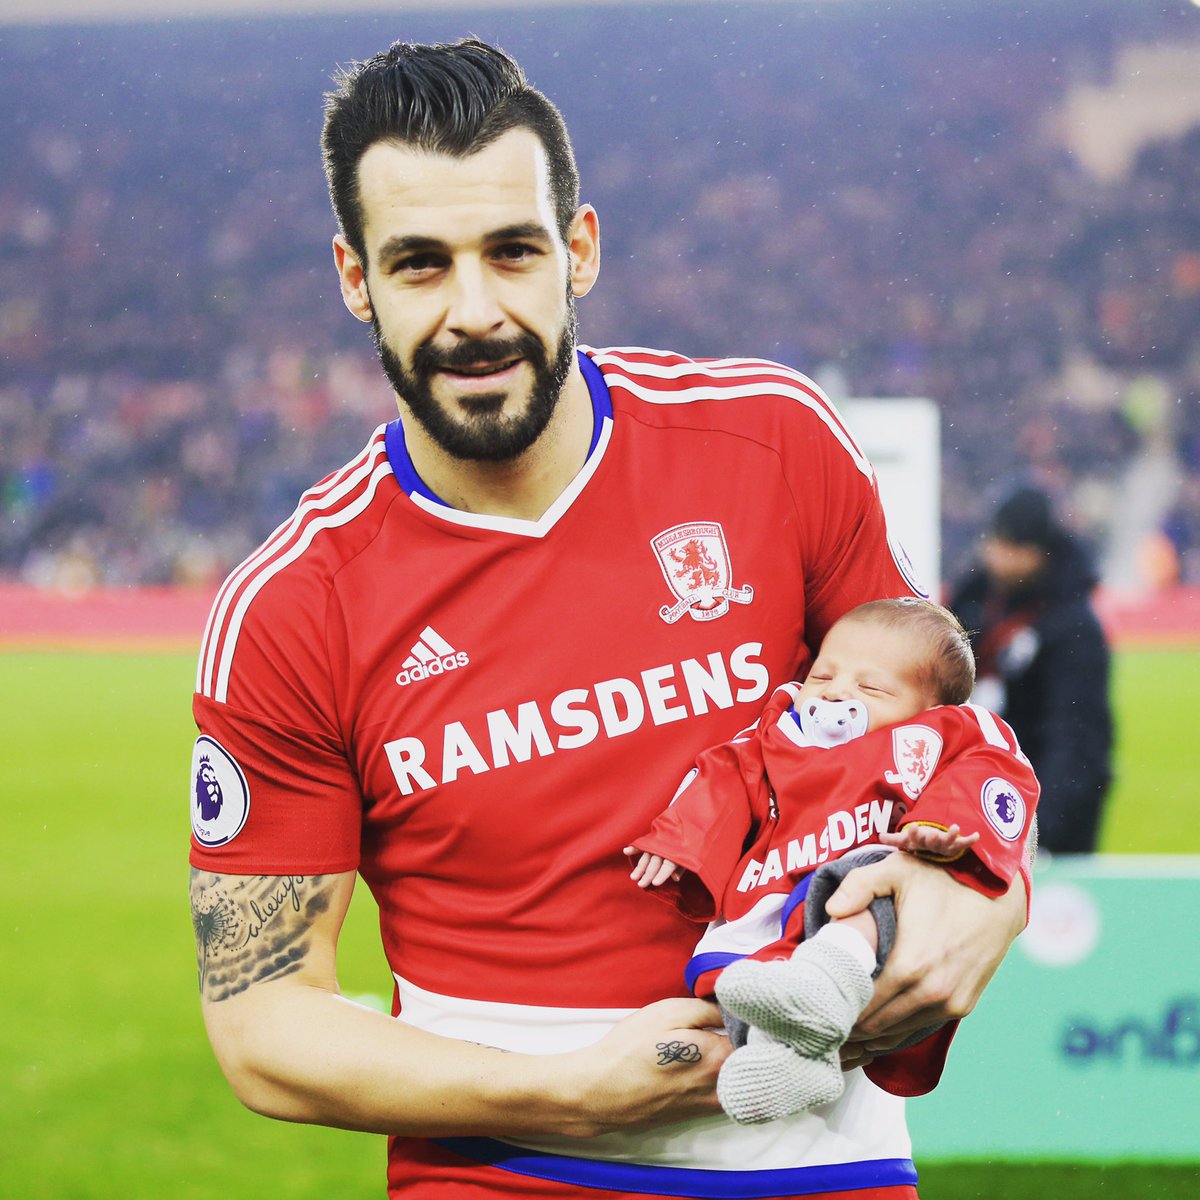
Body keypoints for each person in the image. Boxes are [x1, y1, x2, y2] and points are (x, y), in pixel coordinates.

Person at [188, 38, 1032, 1200]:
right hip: (505, 1172)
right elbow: (260, 1022)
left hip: (821, 1154)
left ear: (578, 248)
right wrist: (565, 1092)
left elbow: (947, 737)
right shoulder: (293, 607)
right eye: (420, 265)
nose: (474, 311)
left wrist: (991, 892)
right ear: (354, 277)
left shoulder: (773, 446)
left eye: (513, 252)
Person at [626, 598, 1039, 1128]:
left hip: (870, 899)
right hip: (775, 895)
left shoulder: (941, 734)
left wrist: (938, 832)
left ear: (929, 708)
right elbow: (726, 774)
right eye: (823, 675)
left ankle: (827, 985)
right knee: (734, 981)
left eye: (872, 688)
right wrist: (679, 839)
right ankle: (796, 1062)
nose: (837, 692)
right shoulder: (778, 732)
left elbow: (989, 771)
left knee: (872, 879)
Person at [948, 484, 1112, 853]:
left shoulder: (1074, 626)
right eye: (997, 543)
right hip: (975, 786)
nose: (1001, 558)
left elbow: (1076, 736)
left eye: (1015, 547)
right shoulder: (971, 600)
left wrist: (1044, 829)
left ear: (1040, 551)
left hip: (1045, 803)